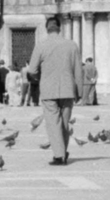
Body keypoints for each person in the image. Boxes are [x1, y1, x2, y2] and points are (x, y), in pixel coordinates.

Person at [25, 15, 84, 165]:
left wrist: (39, 78)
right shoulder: (72, 45)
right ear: (59, 28)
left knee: (53, 123)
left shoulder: (41, 45)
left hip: (48, 89)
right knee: (64, 123)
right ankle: (62, 151)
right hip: (68, 89)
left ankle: (59, 155)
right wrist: (80, 91)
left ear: (46, 29)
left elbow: (32, 70)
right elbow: (78, 70)